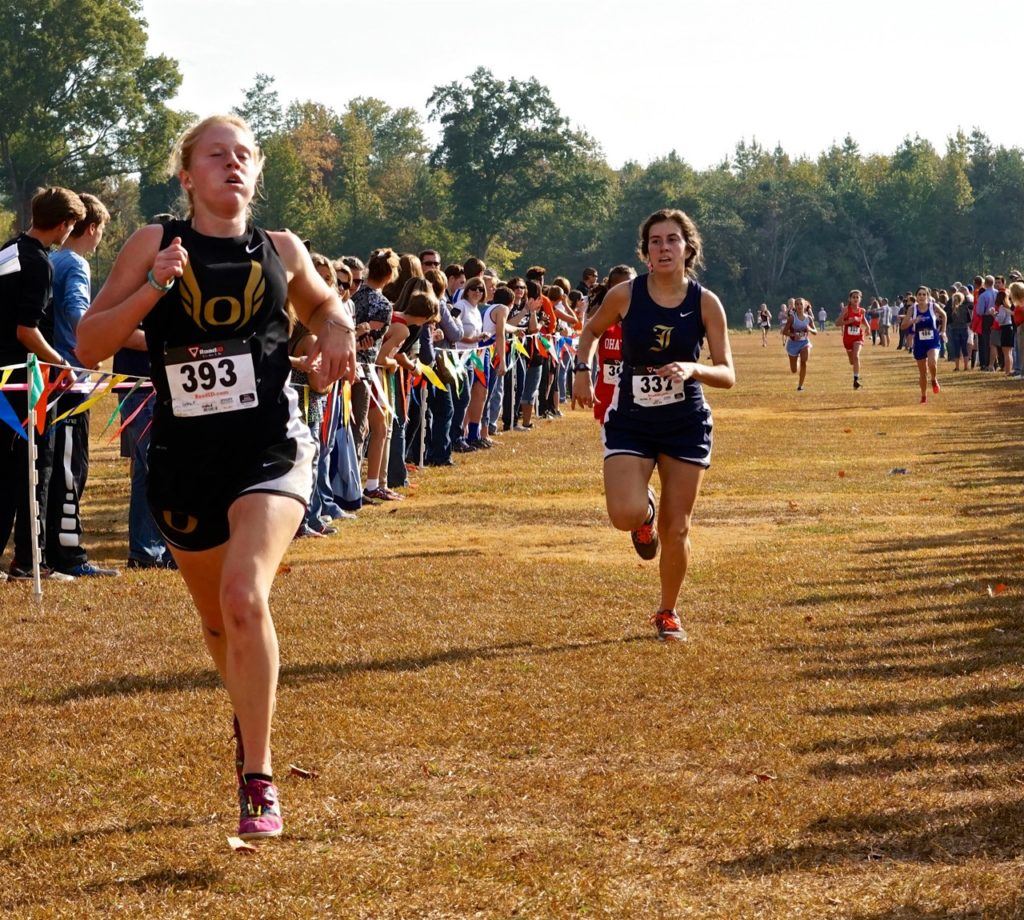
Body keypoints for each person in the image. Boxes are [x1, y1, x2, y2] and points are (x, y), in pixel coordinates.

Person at [75, 114, 357, 840]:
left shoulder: (283, 249)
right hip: (182, 461)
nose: (230, 166)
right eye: (214, 155)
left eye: (243, 156)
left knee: (243, 595)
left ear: (256, 172)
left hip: (268, 447)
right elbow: (90, 342)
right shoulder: (153, 243)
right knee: (216, 622)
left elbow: (326, 302)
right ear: (187, 174)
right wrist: (153, 290)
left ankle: (257, 777)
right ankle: (247, 709)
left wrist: (338, 328)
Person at [574, 208, 735, 642]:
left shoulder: (705, 302)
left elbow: (727, 373)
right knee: (623, 514)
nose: (664, 248)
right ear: (645, 252)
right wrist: (581, 370)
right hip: (632, 418)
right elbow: (589, 334)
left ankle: (668, 611)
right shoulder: (625, 295)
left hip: (685, 421)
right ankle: (642, 512)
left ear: (688, 248)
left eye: (672, 240)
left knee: (677, 526)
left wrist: (693, 368)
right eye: (656, 241)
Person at [0, 186, 86, 582]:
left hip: (4, 382)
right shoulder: (39, 263)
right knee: (36, 467)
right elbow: (26, 329)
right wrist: (62, 363)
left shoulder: (8, 250)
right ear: (66, 224)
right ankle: (29, 562)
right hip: (25, 384)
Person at [44, 192, 120, 577]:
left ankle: (48, 547)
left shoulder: (52, 259)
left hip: (47, 377)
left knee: (51, 466)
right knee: (71, 467)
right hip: (69, 378)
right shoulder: (75, 263)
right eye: (100, 233)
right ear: (91, 228)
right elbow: (77, 314)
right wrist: (98, 343)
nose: (99, 241)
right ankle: (69, 555)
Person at [900, 286, 946, 403]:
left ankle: (934, 379)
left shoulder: (933, 306)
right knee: (922, 372)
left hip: (933, 340)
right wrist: (913, 321)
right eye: (919, 294)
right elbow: (903, 326)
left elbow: (944, 315)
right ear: (916, 296)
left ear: (928, 296)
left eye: (924, 294)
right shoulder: (912, 309)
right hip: (919, 341)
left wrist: (943, 331)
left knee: (932, 362)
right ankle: (923, 396)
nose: (921, 297)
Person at [783, 297, 816, 391]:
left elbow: (815, 332)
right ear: (795, 306)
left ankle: (800, 386)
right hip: (793, 344)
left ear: (804, 305)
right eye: (797, 304)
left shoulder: (809, 318)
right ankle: (796, 359)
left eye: (801, 304)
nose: (799, 306)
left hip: (804, 342)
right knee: (794, 370)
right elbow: (784, 331)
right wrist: (793, 335)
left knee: (804, 360)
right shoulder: (792, 318)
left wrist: (809, 329)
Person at [838, 289, 867, 389]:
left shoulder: (862, 310)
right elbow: (837, 323)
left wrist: (868, 327)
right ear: (850, 299)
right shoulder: (846, 310)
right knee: (852, 361)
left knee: (856, 356)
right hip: (848, 339)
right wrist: (848, 321)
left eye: (857, 297)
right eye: (853, 297)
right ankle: (855, 372)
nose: (855, 299)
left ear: (860, 299)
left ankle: (856, 380)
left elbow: (863, 319)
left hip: (858, 337)